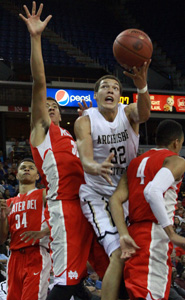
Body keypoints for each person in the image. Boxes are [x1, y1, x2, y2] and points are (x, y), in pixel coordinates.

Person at [19, 3, 109, 300]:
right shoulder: (41, 133)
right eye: (46, 106)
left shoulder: (70, 135)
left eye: (55, 106)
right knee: (67, 282)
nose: (50, 108)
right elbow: (39, 82)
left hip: (90, 206)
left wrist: (90, 124)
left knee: (109, 272)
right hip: (66, 208)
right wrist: (36, 39)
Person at [74, 40, 151, 300]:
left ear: (120, 95)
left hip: (125, 194)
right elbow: (85, 159)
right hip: (96, 194)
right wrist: (96, 166)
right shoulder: (85, 121)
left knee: (135, 253)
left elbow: (145, 113)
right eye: (104, 87)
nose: (110, 90)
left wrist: (141, 86)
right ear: (96, 96)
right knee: (119, 252)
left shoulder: (128, 113)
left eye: (115, 87)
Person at [110, 119, 185, 300]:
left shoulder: (136, 162)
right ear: (177, 142)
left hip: (135, 232)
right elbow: (152, 191)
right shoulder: (175, 160)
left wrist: (123, 234)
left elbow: (115, 200)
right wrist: (172, 233)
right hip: (154, 233)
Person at [0, 158, 51, 300]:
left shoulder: (44, 194)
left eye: (31, 167)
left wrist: (44, 232)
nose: (27, 169)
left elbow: (65, 218)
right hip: (14, 256)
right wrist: (3, 218)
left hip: (36, 254)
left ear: (37, 176)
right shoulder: (9, 203)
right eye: (23, 167)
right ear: (17, 174)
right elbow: (2, 239)